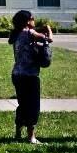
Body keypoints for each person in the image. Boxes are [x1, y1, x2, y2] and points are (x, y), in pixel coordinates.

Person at [8, 10, 53, 144]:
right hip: (30, 75)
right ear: (28, 21)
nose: (34, 20)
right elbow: (49, 39)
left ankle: (18, 131)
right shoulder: (30, 33)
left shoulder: (16, 34)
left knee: (23, 105)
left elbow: (28, 37)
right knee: (33, 106)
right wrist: (49, 29)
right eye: (33, 18)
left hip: (17, 74)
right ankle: (31, 136)